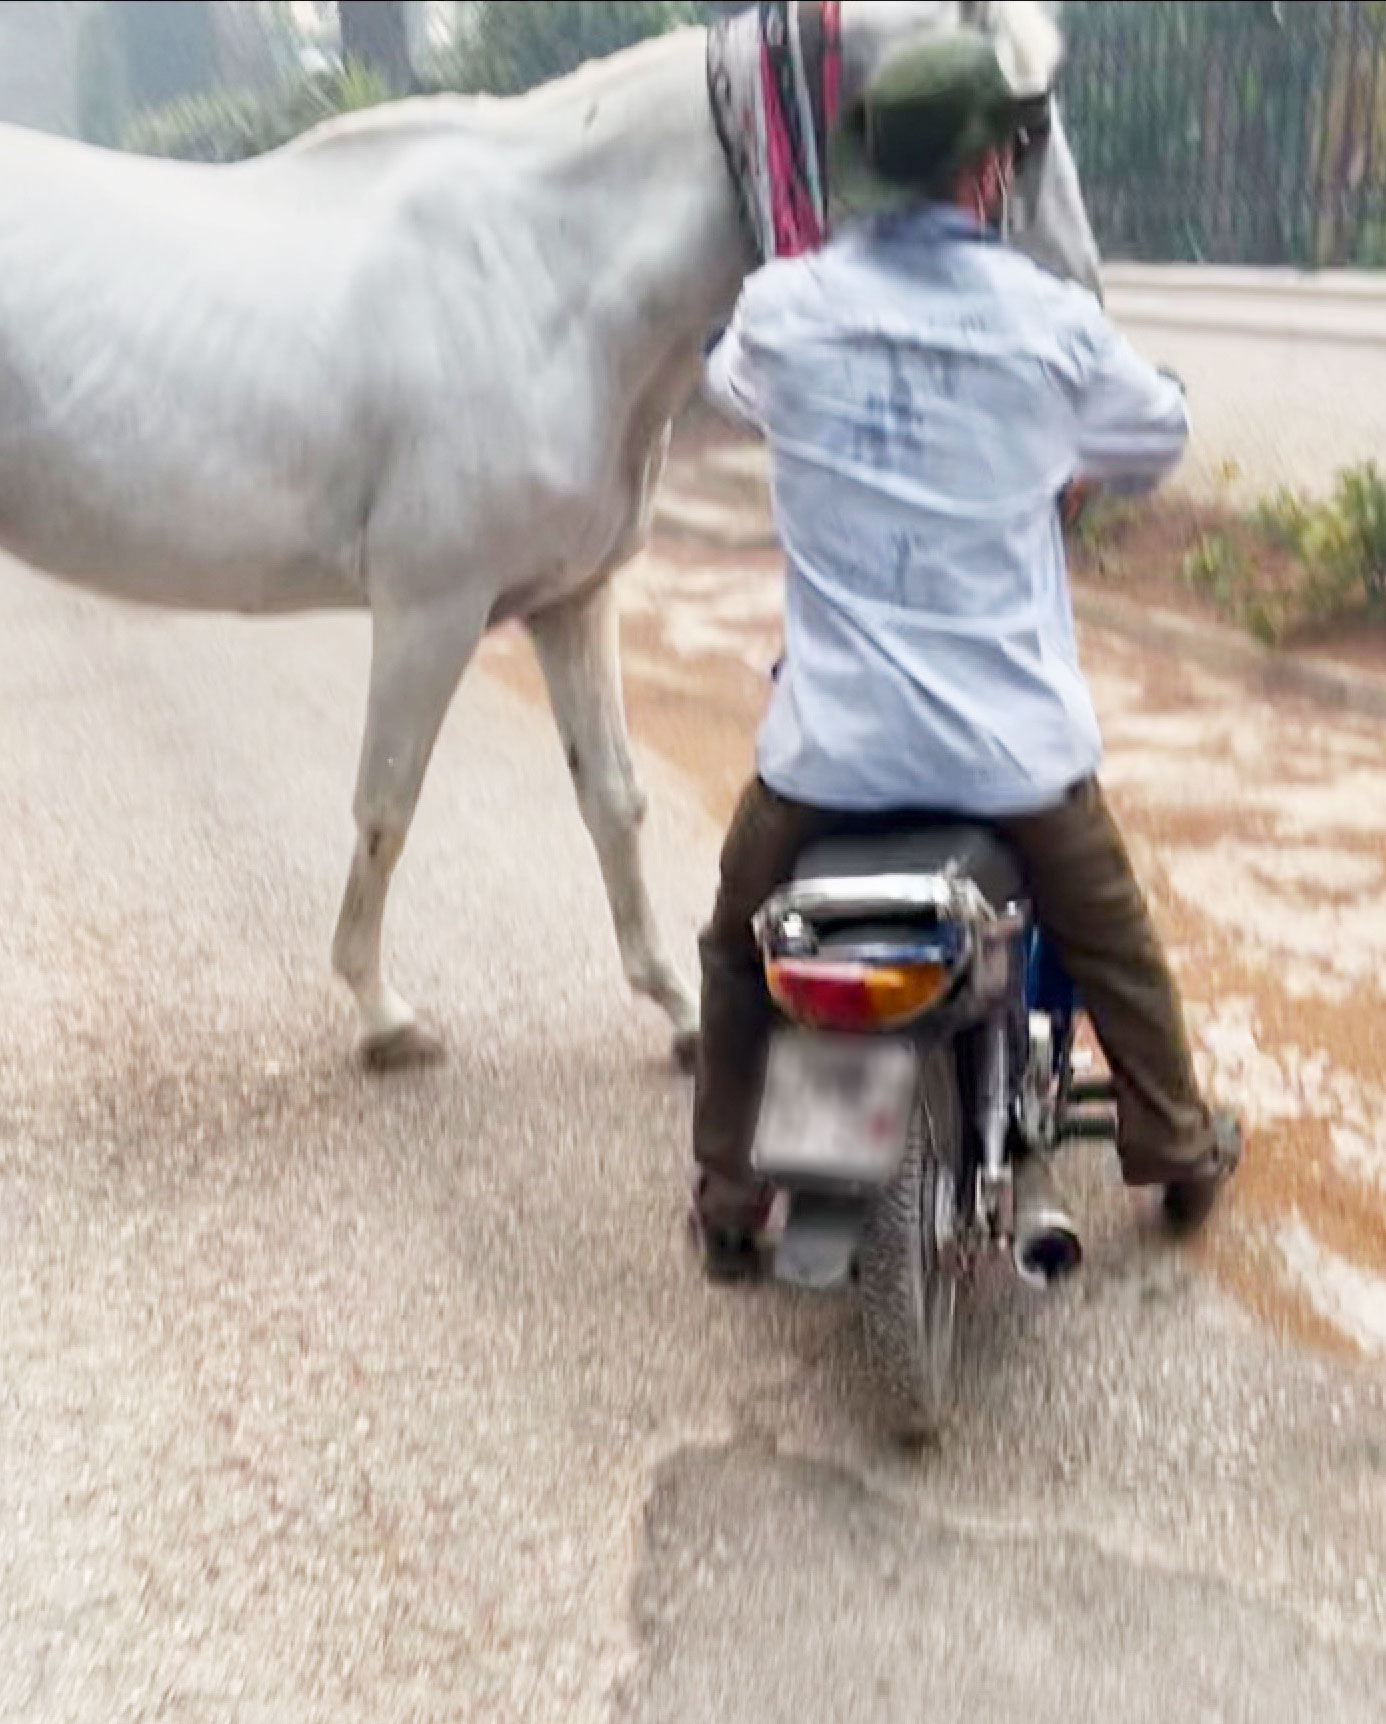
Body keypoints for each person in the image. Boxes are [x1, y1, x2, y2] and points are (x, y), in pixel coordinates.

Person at [691, 28, 1242, 1283]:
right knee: (1114, 942)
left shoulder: (783, 310)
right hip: (1011, 760)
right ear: (990, 173)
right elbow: (1157, 430)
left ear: (874, 168)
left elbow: (733, 383)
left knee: (735, 947)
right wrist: (1059, 455)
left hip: (825, 755)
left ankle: (731, 1194)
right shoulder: (1051, 324)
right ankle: (1175, 1142)